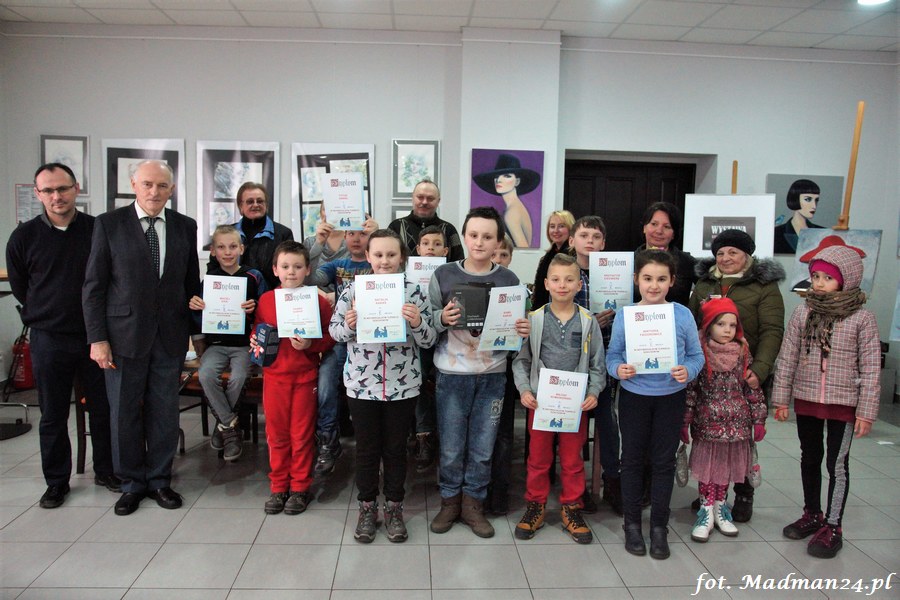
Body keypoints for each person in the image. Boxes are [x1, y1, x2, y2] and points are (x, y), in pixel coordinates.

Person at [83, 159, 201, 516]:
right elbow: (94, 287)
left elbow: (190, 284)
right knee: (124, 413)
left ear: (172, 189)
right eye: (147, 184)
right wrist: (97, 339)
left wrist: (196, 317)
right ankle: (131, 483)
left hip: (170, 336)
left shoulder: (185, 226)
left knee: (164, 412)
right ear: (133, 185)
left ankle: (160, 480)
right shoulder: (109, 224)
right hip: (122, 338)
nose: (154, 191)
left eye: (162, 185)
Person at [6, 163, 120, 509]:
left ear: (76, 189)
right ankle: (57, 482)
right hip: (49, 337)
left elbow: (112, 279)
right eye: (48, 190)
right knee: (53, 414)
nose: (56, 196)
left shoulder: (97, 229)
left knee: (102, 408)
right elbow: (21, 287)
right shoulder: (23, 237)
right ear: (38, 193)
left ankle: (106, 470)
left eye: (63, 188)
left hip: (95, 336)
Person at [773, 245, 880, 559]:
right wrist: (781, 398)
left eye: (827, 278)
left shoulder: (862, 318)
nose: (819, 283)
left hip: (843, 402)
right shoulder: (803, 312)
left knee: (837, 465)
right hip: (807, 397)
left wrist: (866, 412)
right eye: (815, 276)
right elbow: (788, 356)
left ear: (846, 279)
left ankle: (834, 526)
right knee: (809, 457)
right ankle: (812, 513)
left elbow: (871, 367)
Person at [329, 229, 436, 543]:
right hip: (362, 386)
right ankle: (366, 507)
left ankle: (394, 507)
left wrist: (417, 322)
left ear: (401, 257)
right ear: (368, 256)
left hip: (404, 387)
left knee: (395, 449)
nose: (385, 261)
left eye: (391, 255)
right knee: (366, 450)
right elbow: (334, 332)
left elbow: (429, 339)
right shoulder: (353, 290)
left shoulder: (414, 291)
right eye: (378, 255)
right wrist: (349, 325)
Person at [428, 207, 529, 538]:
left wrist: (521, 329)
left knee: (483, 447)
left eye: (488, 236)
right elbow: (427, 321)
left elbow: (516, 329)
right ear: (464, 237)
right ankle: (449, 502)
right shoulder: (443, 275)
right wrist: (441, 318)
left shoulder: (508, 280)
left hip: (492, 374)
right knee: (451, 446)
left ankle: (474, 504)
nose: (480, 242)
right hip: (451, 374)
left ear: (498, 241)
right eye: (473, 235)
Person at [606, 250, 704, 559]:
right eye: (647, 278)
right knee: (632, 460)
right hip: (634, 397)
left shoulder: (682, 314)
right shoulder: (625, 315)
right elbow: (613, 355)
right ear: (636, 279)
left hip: (670, 398)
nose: (654, 285)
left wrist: (687, 371)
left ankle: (659, 527)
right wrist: (618, 369)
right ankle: (632, 524)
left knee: (663, 462)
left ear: (672, 281)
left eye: (661, 279)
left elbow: (696, 356)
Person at [689, 228, 785, 521]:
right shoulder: (705, 283)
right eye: (720, 253)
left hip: (745, 373)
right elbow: (692, 324)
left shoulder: (763, 285)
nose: (726, 258)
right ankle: (712, 493)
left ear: (747, 255)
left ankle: (744, 492)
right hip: (708, 373)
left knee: (742, 438)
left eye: (733, 252)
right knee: (710, 434)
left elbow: (772, 330)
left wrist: (760, 369)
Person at [513, 253, 605, 543]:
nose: (562, 285)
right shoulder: (534, 320)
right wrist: (524, 390)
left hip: (575, 406)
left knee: (572, 459)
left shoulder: (588, 322)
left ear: (579, 285)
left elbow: (597, 365)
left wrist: (593, 392)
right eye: (556, 279)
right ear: (546, 284)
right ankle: (535, 504)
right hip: (540, 403)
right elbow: (521, 361)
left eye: (569, 280)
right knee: (538, 458)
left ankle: (571, 507)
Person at [252, 241, 335, 515]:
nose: (291, 272)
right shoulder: (266, 300)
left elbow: (331, 336)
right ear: (275, 269)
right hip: (274, 378)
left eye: (297, 267)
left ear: (307, 269)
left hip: (305, 378)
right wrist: (255, 341)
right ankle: (278, 486)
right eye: (285, 266)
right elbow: (257, 332)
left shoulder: (317, 301)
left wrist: (310, 345)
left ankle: (300, 487)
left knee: (301, 435)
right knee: (276, 434)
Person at [683, 297, 767, 543]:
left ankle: (721, 509)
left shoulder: (742, 351)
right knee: (708, 470)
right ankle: (705, 511)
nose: (727, 330)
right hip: (707, 422)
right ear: (709, 325)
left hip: (737, 423)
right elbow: (691, 390)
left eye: (732, 325)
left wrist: (759, 418)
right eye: (721, 324)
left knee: (726, 469)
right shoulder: (700, 352)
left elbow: (752, 388)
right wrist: (685, 420)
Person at [188, 225, 265, 461]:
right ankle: (230, 426)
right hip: (217, 344)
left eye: (233, 246)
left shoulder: (254, 276)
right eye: (221, 247)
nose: (228, 252)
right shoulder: (209, 280)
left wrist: (256, 308)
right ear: (213, 251)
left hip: (244, 345)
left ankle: (223, 426)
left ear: (241, 248)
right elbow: (199, 317)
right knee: (206, 375)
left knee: (239, 377)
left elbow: (268, 309)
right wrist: (195, 307)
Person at [568, 216, 621, 514]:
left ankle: (612, 480)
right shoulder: (564, 273)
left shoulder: (616, 273)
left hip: (606, 359)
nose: (590, 240)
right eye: (584, 235)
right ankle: (576, 486)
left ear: (604, 243)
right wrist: (588, 325)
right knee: (574, 426)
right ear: (572, 240)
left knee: (608, 422)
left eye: (596, 236)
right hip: (571, 361)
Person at [310, 229, 374, 477]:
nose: (356, 238)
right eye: (351, 233)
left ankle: (373, 447)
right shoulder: (337, 265)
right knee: (326, 384)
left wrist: (378, 233)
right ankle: (329, 441)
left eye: (363, 233)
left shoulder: (379, 264)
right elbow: (311, 278)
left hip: (370, 339)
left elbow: (401, 265)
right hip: (341, 336)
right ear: (344, 237)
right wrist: (319, 242)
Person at [484, 236, 523, 515]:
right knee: (482, 432)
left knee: (503, 434)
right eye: (494, 254)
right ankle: (478, 490)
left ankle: (499, 493)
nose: (498, 260)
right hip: (480, 367)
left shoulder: (519, 291)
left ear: (510, 258)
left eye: (504, 255)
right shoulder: (474, 287)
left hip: (506, 369)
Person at [411, 225, 450, 472]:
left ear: (445, 251)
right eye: (426, 244)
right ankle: (423, 435)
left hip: (446, 337)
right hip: (419, 337)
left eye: (437, 244)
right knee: (419, 377)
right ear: (418, 249)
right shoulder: (407, 276)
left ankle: (443, 435)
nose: (430, 249)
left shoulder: (452, 274)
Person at [208, 182, 293, 291]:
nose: (256, 205)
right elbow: (213, 270)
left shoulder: (283, 234)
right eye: (250, 201)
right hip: (229, 296)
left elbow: (289, 272)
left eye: (260, 201)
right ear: (240, 206)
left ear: (266, 205)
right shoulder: (225, 234)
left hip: (270, 297)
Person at [472, 153, 540, 248]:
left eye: (507, 176)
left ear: (517, 181)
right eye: (497, 176)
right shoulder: (516, 207)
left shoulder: (512, 213)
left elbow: (523, 248)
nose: (499, 180)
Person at [635, 202, 696, 307]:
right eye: (654, 224)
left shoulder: (687, 263)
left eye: (667, 227)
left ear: (674, 234)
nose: (659, 231)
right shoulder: (629, 262)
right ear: (644, 227)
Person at [389, 179, 464, 262]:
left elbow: (459, 263)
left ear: (438, 201)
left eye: (430, 198)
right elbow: (386, 258)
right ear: (412, 198)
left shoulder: (449, 230)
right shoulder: (396, 227)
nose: (425, 202)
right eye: (420, 197)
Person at [531, 210, 575, 309]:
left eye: (561, 226)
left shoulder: (575, 257)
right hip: (543, 310)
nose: (555, 230)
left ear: (570, 229)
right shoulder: (545, 258)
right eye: (552, 226)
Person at [773, 179, 823, 254]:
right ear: (795, 199)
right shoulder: (776, 233)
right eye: (808, 199)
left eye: (816, 200)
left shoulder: (822, 232)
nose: (814, 206)